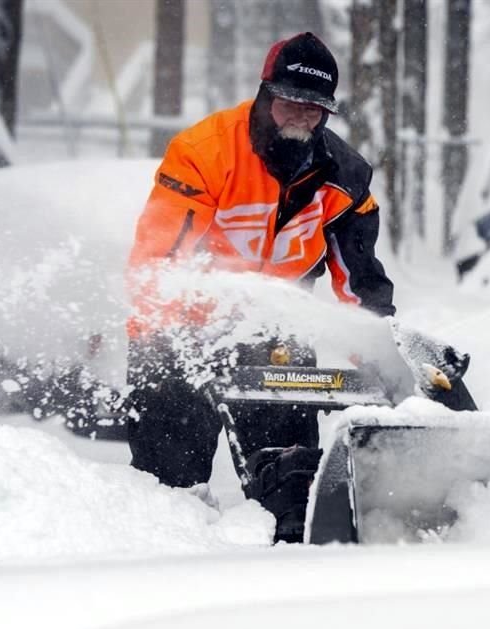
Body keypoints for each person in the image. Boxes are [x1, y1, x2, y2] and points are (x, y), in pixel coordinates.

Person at [125, 32, 396, 542]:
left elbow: (362, 282)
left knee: (294, 498)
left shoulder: (345, 176)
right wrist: (162, 344)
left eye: (315, 107)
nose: (301, 115)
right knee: (168, 495)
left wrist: (383, 352)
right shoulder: (204, 153)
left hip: (275, 337)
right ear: (266, 94)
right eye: (290, 101)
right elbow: (158, 261)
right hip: (182, 334)